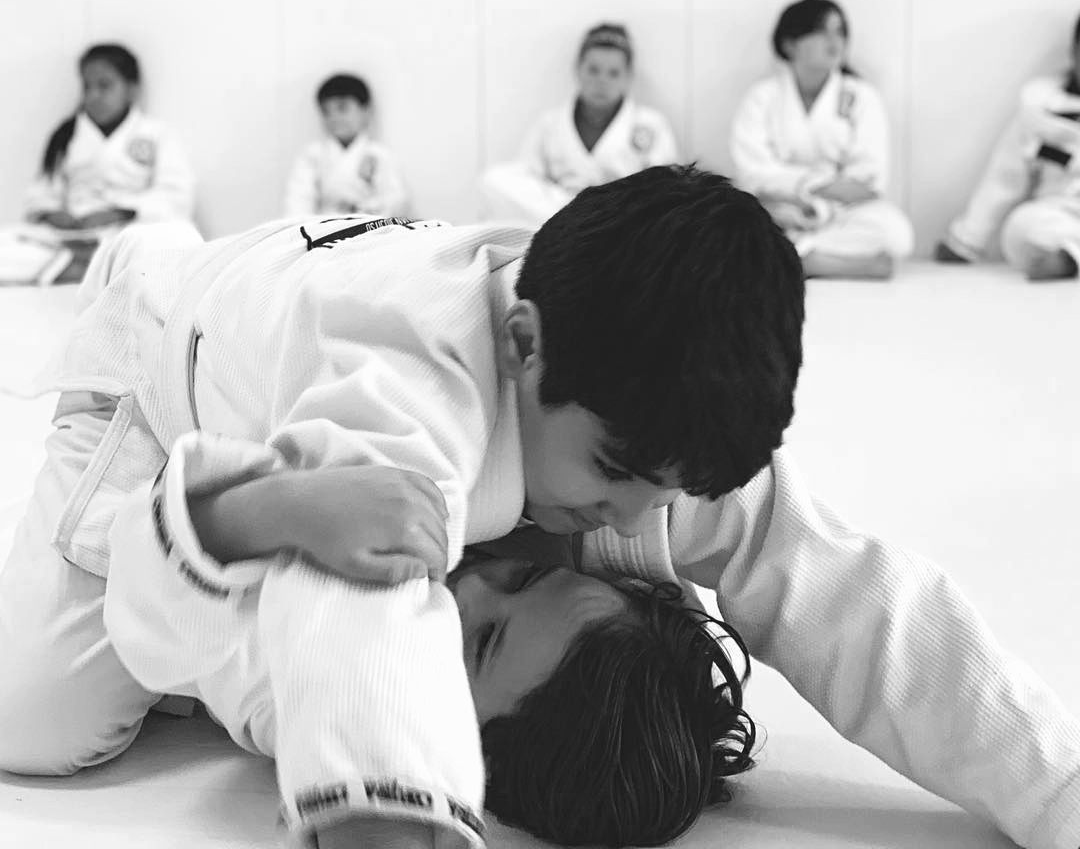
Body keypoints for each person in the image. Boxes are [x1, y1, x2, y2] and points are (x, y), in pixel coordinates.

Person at [0, 167, 1077, 849]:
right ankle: (151, 287)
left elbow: (865, 608)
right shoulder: (408, 403)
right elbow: (365, 629)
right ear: (524, 346)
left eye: (670, 490)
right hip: (164, 360)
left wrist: (1058, 790)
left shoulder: (650, 429)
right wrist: (387, 804)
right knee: (39, 720)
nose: (635, 514)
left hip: (317, 297)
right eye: (615, 473)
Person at [731, 0, 914, 279]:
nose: (834, 40)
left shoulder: (861, 96)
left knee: (896, 234)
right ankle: (838, 265)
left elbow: (869, 179)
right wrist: (809, 188)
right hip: (777, 210)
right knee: (734, 228)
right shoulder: (761, 98)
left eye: (840, 31)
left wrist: (818, 206)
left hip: (840, 214)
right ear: (789, 44)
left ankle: (793, 258)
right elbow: (753, 173)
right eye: (821, 31)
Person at [0, 43, 194, 285]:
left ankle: (85, 269)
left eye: (104, 86)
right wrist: (52, 215)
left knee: (184, 237)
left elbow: (176, 197)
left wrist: (118, 212)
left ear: (131, 89)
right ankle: (89, 270)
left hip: (126, 234)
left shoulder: (156, 134)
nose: (92, 96)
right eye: (87, 86)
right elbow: (40, 194)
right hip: (68, 238)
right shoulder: (66, 135)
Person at [480, 23, 678, 225]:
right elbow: (528, 175)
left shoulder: (650, 123)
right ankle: (573, 224)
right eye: (593, 70)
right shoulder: (550, 123)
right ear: (577, 70)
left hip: (620, 219)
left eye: (613, 73)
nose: (602, 81)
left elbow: (665, 186)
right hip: (563, 212)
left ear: (628, 77)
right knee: (493, 180)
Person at [935, 14, 1080, 280]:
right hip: (1059, 216)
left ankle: (1070, 260)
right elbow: (1005, 176)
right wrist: (967, 239)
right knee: (1020, 227)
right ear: (1074, 51)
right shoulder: (1041, 106)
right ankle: (1066, 257)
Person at [284, 73, 408, 218]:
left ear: (365, 110)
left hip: (371, 230)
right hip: (323, 233)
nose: (334, 118)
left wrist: (362, 211)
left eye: (342, 108)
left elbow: (395, 200)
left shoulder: (379, 155)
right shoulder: (312, 155)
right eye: (326, 111)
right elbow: (298, 201)